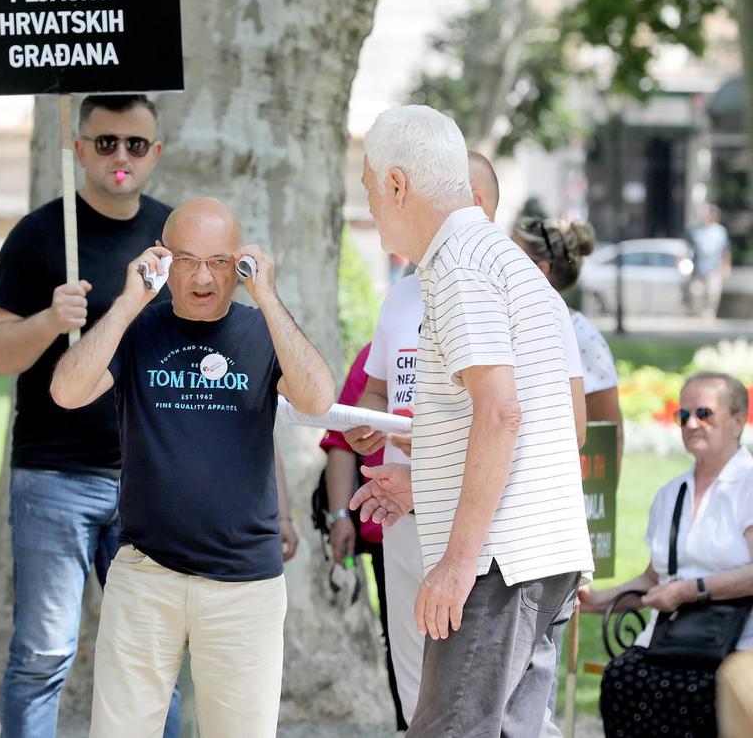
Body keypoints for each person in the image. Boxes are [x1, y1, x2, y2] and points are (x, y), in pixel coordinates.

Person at [52, 197, 335, 737]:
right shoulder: (137, 331)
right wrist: (129, 302)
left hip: (243, 586)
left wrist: (268, 297)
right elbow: (67, 391)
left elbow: (318, 399)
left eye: (220, 262)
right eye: (186, 260)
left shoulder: (260, 332)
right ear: (163, 261)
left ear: (241, 264)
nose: (203, 278)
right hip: (145, 575)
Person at [350, 105, 592, 736]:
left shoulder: (459, 263)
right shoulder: (498, 259)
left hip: (499, 563)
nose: (372, 208)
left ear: (398, 184)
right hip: (542, 554)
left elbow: (502, 412)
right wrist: (422, 481)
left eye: (371, 189)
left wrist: (457, 565)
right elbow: (534, 419)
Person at [0, 93, 180, 738]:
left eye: (135, 145)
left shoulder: (174, 239)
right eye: (105, 143)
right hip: (54, 478)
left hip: (147, 479)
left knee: (154, 659)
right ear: (78, 149)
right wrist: (49, 319)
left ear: (155, 153)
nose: (120, 157)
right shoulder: (40, 235)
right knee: (42, 655)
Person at [580, 372, 753, 738]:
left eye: (705, 413)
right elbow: (654, 580)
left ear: (738, 421)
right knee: (622, 678)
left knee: (702, 691)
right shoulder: (670, 494)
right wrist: (596, 601)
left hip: (738, 640)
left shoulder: (748, 485)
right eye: (683, 415)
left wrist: (690, 591)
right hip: (673, 637)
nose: (691, 424)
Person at [318, 343, 406, 731]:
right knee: (399, 642)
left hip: (450, 525)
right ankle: (408, 724)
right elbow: (340, 441)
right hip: (385, 529)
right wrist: (341, 516)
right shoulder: (378, 353)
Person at [513, 217, 623, 469]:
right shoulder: (505, 327)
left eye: (510, 257)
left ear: (541, 270)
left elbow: (609, 436)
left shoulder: (583, 337)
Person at [688, 204, 730, 318]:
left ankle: (709, 316)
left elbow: (725, 250)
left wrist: (726, 266)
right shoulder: (695, 231)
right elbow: (689, 249)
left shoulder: (720, 231)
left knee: (712, 294)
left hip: (714, 269)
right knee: (696, 292)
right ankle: (697, 315)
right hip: (698, 269)